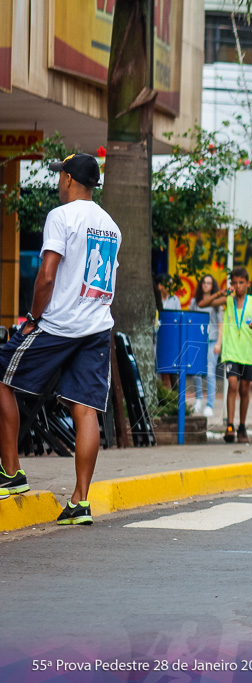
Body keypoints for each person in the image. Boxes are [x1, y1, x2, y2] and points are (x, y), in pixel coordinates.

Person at [0, 153, 119, 524]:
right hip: (97, 326)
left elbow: (47, 276)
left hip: (59, 324)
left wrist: (33, 318)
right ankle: (81, 501)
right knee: (85, 410)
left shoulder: (61, 216)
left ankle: (12, 472)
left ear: (68, 179)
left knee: (1, 377)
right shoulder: (111, 225)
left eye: (59, 176)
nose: (57, 182)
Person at [200, 267, 252, 443]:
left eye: (242, 282)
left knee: (244, 389)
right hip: (231, 351)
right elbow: (204, 304)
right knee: (232, 384)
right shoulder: (227, 300)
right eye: (234, 283)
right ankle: (230, 426)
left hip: (248, 353)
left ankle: (242, 426)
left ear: (248, 283)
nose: (238, 286)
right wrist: (220, 292)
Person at [190, 273, 222, 418]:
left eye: (208, 283)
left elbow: (221, 324)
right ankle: (198, 399)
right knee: (196, 372)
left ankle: (210, 404)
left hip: (212, 340)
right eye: (203, 282)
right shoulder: (195, 302)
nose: (205, 285)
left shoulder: (217, 303)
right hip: (197, 340)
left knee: (210, 372)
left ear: (213, 285)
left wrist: (219, 343)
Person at [156, 276, 181, 390]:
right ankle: (165, 394)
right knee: (162, 370)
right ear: (160, 286)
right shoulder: (155, 300)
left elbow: (179, 319)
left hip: (171, 339)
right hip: (156, 338)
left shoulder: (175, 300)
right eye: (167, 284)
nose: (170, 287)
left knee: (172, 369)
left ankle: (175, 396)